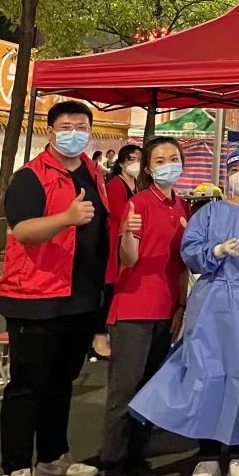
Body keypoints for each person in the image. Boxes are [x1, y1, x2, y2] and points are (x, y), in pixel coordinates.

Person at [129, 147, 239, 476]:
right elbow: (191, 252)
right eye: (235, 169)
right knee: (205, 375)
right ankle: (207, 455)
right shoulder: (210, 212)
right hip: (211, 303)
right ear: (226, 175)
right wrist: (215, 251)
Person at [0, 101, 107, 476]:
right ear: (50, 132)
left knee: (61, 383)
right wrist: (66, 219)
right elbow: (23, 230)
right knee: (27, 387)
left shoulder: (93, 172)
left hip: (79, 298)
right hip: (35, 297)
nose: (74, 133)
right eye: (66, 126)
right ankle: (14, 471)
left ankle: (52, 459)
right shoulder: (30, 177)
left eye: (82, 126)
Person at [101, 137, 189, 476]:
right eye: (160, 160)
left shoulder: (181, 205)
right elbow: (129, 258)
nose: (168, 164)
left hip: (166, 309)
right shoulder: (138, 203)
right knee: (125, 391)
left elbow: (181, 264)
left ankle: (138, 459)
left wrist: (181, 305)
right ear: (149, 169)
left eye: (173, 158)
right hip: (134, 309)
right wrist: (127, 234)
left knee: (151, 391)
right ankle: (114, 464)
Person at [95, 145, 142, 361]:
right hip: (115, 241)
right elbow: (118, 213)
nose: (135, 163)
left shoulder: (136, 184)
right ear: (122, 162)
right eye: (131, 159)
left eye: (139, 159)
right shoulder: (116, 184)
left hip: (127, 239)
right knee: (108, 291)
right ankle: (99, 338)